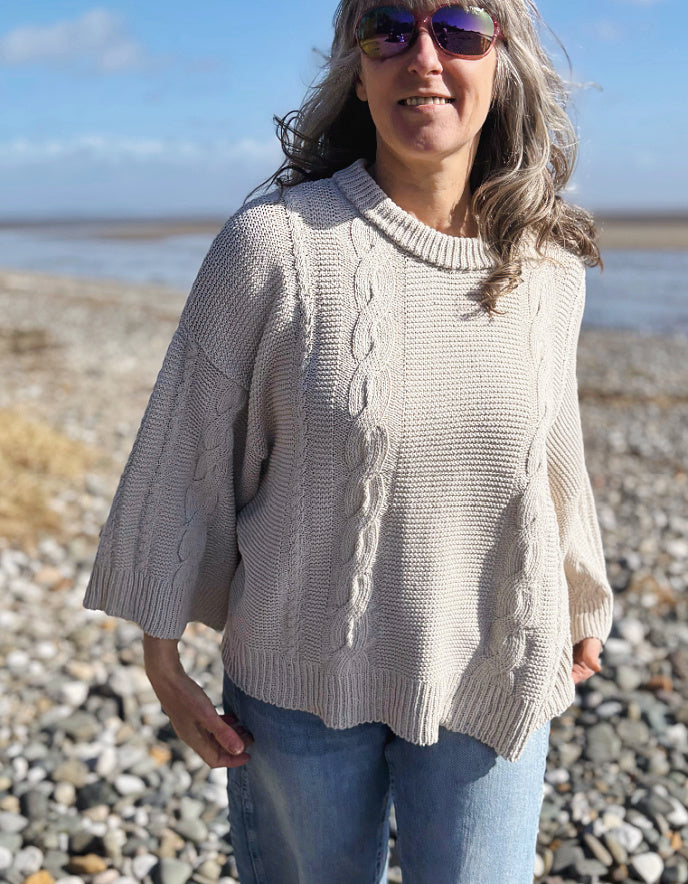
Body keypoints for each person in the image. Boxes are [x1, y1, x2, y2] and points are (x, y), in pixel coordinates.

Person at [84, 1, 614, 881]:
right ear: (358, 72)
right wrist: (161, 657)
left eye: (458, 27)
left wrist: (581, 592)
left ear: (502, 63)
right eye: (390, 27)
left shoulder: (548, 262)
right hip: (298, 682)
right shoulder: (275, 246)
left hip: (495, 666)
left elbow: (554, 442)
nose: (425, 57)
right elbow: (184, 450)